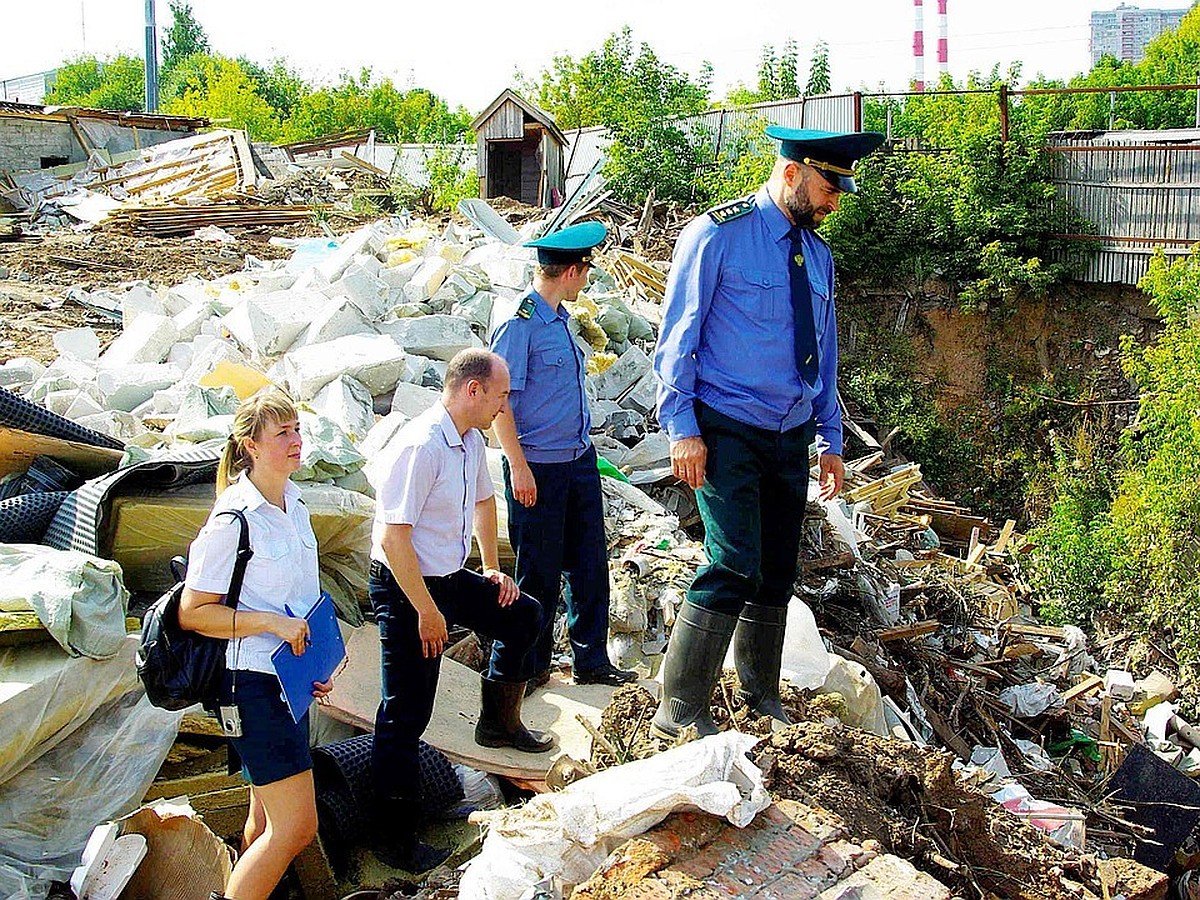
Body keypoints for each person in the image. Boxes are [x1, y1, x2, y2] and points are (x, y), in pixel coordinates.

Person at [650, 127, 886, 739]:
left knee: (778, 571)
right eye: (828, 184)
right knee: (732, 563)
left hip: (791, 434)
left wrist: (831, 440)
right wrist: (682, 428)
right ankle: (681, 709)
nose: (836, 198)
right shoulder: (717, 235)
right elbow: (679, 338)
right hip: (725, 429)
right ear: (791, 173)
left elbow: (824, 355)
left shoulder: (820, 256)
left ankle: (760, 697)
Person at [368, 348, 554, 873]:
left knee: (523, 615)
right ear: (473, 390)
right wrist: (427, 613)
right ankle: (393, 835)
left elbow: (484, 503)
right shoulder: (421, 446)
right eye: (499, 395)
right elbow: (393, 538)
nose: (504, 405)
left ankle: (497, 724)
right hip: (405, 585)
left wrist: (493, 569)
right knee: (406, 709)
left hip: (445, 575)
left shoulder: (471, 440)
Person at [178, 388, 333, 900]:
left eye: (296, 429)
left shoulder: (295, 503)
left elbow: (302, 601)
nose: (295, 441)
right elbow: (194, 612)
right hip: (250, 686)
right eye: (282, 433)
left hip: (288, 682)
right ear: (250, 445)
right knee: (295, 829)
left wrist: (317, 661)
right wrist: (271, 624)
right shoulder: (233, 520)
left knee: (265, 818)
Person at [490, 221, 637, 692]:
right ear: (572, 271)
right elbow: (501, 401)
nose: (588, 280)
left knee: (590, 565)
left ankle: (590, 660)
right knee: (539, 572)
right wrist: (517, 465)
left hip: (577, 461)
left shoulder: (561, 320)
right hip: (539, 467)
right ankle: (528, 669)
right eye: (586, 271)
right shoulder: (521, 323)